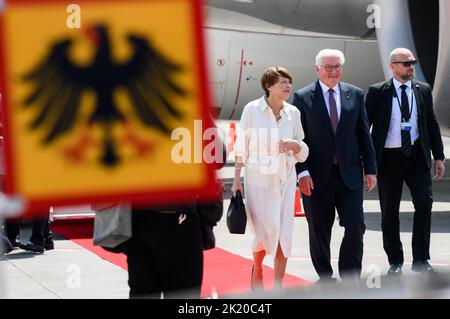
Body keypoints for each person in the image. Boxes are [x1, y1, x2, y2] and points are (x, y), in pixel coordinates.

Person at [292, 49, 377, 282]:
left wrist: (370, 169)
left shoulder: (355, 94)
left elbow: (363, 134)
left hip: (349, 174)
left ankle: (350, 276)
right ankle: (325, 277)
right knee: (319, 230)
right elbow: (299, 140)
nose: (333, 71)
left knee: (356, 226)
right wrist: (303, 172)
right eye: (328, 67)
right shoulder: (302, 97)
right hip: (316, 177)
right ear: (317, 69)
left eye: (337, 66)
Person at [365, 48, 445, 275]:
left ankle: (421, 259)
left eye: (413, 62)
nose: (411, 67)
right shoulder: (378, 91)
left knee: (424, 202)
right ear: (393, 66)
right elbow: (364, 127)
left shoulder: (423, 90)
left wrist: (438, 156)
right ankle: (395, 260)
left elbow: (431, 122)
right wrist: (366, 161)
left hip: (417, 157)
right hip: (389, 158)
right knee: (389, 211)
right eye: (406, 63)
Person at [231, 66, 309, 290]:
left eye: (289, 82)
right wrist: (237, 180)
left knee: (283, 234)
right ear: (269, 86)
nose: (287, 86)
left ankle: (277, 289)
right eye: (282, 82)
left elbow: (302, 145)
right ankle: (257, 267)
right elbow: (241, 147)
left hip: (285, 180)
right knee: (262, 234)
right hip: (258, 181)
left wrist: (294, 145)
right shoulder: (251, 110)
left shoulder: (293, 113)